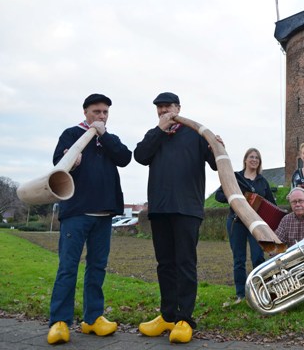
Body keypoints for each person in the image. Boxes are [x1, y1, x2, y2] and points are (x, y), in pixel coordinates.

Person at [134, 92, 221, 344]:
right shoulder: (155, 135)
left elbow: (216, 164)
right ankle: (167, 315)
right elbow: (140, 156)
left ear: (178, 108)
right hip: (160, 209)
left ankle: (185, 318)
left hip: (187, 209)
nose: (163, 111)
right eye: (159, 108)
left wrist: (218, 145)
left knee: (185, 263)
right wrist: (159, 131)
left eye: (167, 107)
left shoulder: (195, 134)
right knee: (165, 264)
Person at [47, 94, 132, 345]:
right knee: (68, 267)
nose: (101, 116)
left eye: (105, 112)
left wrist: (103, 135)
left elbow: (124, 158)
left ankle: (93, 319)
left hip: (104, 214)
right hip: (76, 212)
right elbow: (58, 164)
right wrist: (71, 161)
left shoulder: (109, 139)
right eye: (96, 112)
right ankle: (60, 322)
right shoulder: (71, 134)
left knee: (97, 268)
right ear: (85, 112)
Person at [215, 148, 275, 304]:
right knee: (239, 260)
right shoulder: (235, 177)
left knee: (258, 258)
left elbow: (271, 204)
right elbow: (219, 195)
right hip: (237, 223)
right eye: (251, 157)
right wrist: (236, 198)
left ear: (259, 162)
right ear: (245, 160)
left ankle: (261, 292)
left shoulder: (263, 181)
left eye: (257, 158)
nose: (254, 159)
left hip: (256, 225)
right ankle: (241, 294)